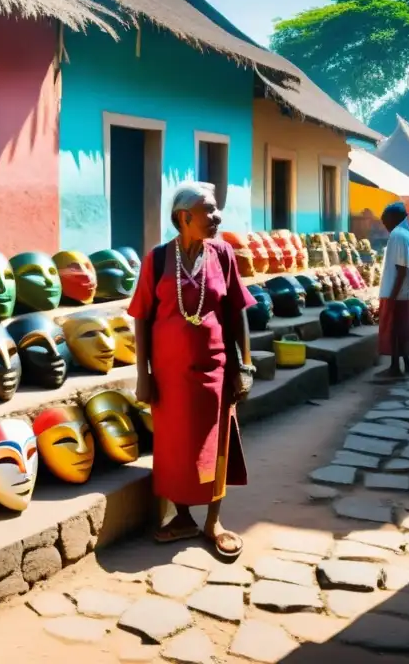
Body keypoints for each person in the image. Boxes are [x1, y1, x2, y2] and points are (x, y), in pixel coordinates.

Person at [129, 182, 256, 558]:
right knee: (176, 445)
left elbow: (237, 312)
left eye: (216, 210)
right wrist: (142, 374)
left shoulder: (223, 254)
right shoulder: (157, 259)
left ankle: (213, 521)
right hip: (169, 375)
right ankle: (182, 516)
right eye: (209, 211)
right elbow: (141, 318)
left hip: (216, 369)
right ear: (184, 217)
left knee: (216, 445)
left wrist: (244, 365)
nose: (217, 217)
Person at [377, 202, 409, 379]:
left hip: (397, 293)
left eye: (386, 221)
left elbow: (402, 269)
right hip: (404, 292)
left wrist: (392, 296)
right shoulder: (407, 235)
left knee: (394, 331)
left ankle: (395, 367)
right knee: (402, 329)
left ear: (394, 218)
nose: (385, 225)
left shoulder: (397, 235)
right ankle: (406, 363)